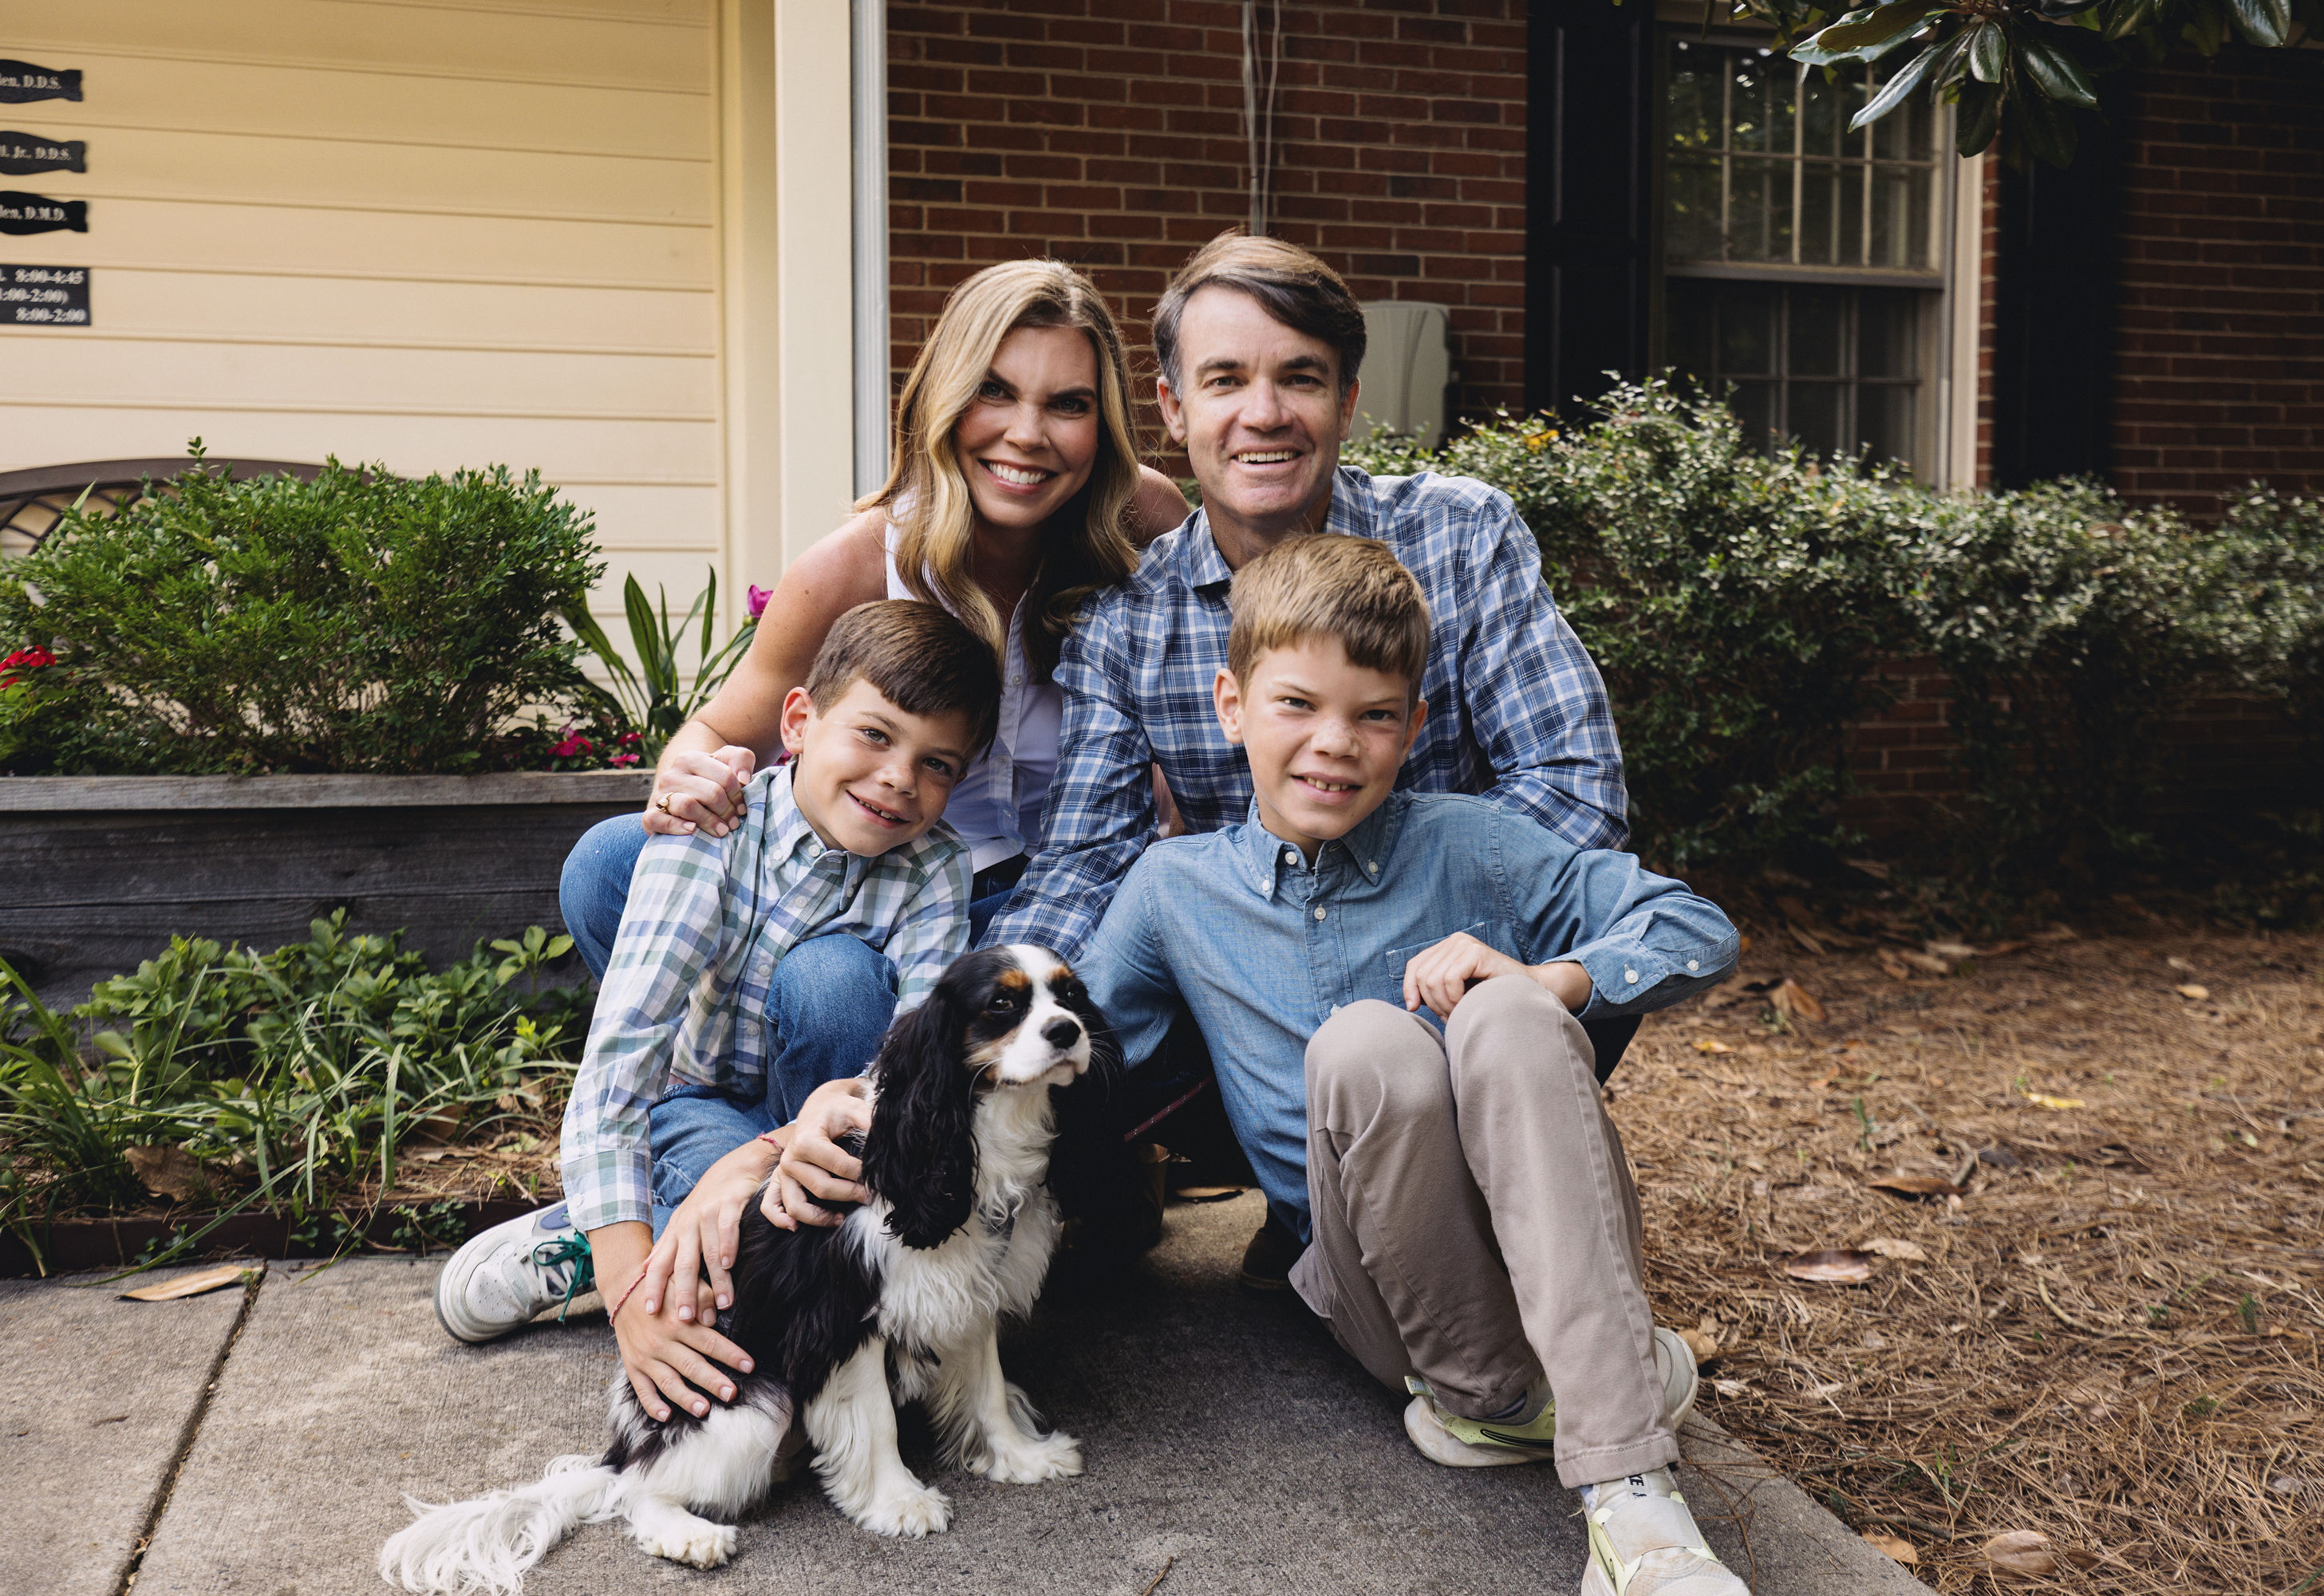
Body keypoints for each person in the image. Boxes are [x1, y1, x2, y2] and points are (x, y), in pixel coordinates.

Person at [1075, 535, 1748, 1596]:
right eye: (1297, 704)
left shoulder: (1473, 841)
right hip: (1382, 1290)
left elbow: (1695, 928)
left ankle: (1632, 1499)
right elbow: (1077, 1048)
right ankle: (1519, 1391)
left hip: (1539, 1246)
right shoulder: (1173, 890)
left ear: (1413, 728)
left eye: (1374, 715)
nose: (1334, 744)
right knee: (1367, 1043)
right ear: (1231, 705)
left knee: (1510, 1016)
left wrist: (1546, 976)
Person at [980, 230, 1632, 1288]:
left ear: (1347, 400)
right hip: (1263, 1024)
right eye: (1226, 379)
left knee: (1588, 948)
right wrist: (980, 1026)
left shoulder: (1463, 538)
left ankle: (1494, 1236)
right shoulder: (1128, 622)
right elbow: (1082, 867)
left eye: (1301, 379)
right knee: (1136, 980)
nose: (1265, 412)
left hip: (1461, 993)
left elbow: (1574, 788)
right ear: (1173, 407)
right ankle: (1298, 1220)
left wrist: (1423, 953)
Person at [432, 601, 997, 1429]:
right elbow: (623, 1060)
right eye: (874, 736)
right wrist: (633, 1299)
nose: (901, 779)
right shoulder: (715, 823)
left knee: (834, 981)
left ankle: (667, 1214)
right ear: (799, 721)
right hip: (701, 1103)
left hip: (822, 1130)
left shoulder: (936, 865)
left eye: (937, 762)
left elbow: (915, 1069)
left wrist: (774, 1156)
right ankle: (613, 1236)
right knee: (715, 1299)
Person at [559, 258, 1192, 984]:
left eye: (1068, 404)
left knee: (831, 986)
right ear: (943, 396)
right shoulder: (853, 568)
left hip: (1076, 897)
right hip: (884, 892)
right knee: (610, 865)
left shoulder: (1142, 520)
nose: (1027, 433)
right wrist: (691, 779)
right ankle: (729, 1062)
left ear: (1103, 421)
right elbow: (720, 735)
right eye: (994, 390)